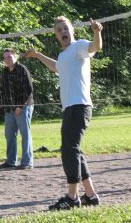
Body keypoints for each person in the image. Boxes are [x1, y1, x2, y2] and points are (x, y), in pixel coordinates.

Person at [25, 16, 103, 210]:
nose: (62, 32)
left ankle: (72, 197)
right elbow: (56, 67)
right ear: (56, 36)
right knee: (74, 150)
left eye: (65, 28)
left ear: (72, 30)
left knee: (69, 150)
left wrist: (96, 32)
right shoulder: (63, 55)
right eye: (59, 30)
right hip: (70, 108)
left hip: (80, 107)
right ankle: (91, 195)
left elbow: (96, 47)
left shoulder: (79, 46)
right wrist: (38, 55)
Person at [0, 49, 34, 169]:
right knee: (9, 135)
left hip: (24, 107)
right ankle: (11, 161)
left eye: (9, 57)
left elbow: (28, 90)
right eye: (5, 58)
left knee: (25, 134)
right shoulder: (5, 72)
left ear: (15, 57)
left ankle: (27, 162)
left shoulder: (22, 70)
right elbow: (2, 90)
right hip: (9, 108)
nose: (7, 60)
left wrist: (20, 106)